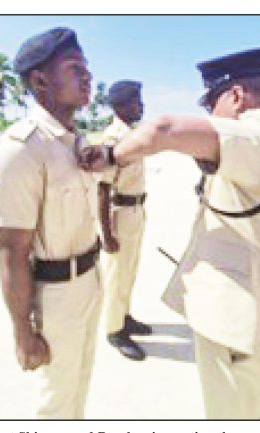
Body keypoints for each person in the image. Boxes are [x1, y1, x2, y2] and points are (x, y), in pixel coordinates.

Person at [78, 48, 260, 419]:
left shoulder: (255, 138)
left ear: (236, 96)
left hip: (236, 323)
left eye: (212, 104)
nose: (210, 117)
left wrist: (112, 155)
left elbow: (163, 130)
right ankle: (117, 325)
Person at [0, 28, 104, 419]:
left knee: (81, 386)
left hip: (91, 280)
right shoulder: (21, 150)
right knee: (55, 403)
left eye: (87, 68)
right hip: (55, 297)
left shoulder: (76, 140)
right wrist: (23, 331)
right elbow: (12, 253)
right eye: (74, 69)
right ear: (40, 81)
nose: (87, 77)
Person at [97, 80, 152, 361]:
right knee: (117, 274)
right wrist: (106, 233)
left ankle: (124, 316)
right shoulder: (113, 139)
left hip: (136, 211)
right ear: (120, 105)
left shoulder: (132, 134)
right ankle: (113, 330)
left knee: (130, 270)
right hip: (121, 213)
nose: (140, 105)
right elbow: (102, 188)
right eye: (135, 100)